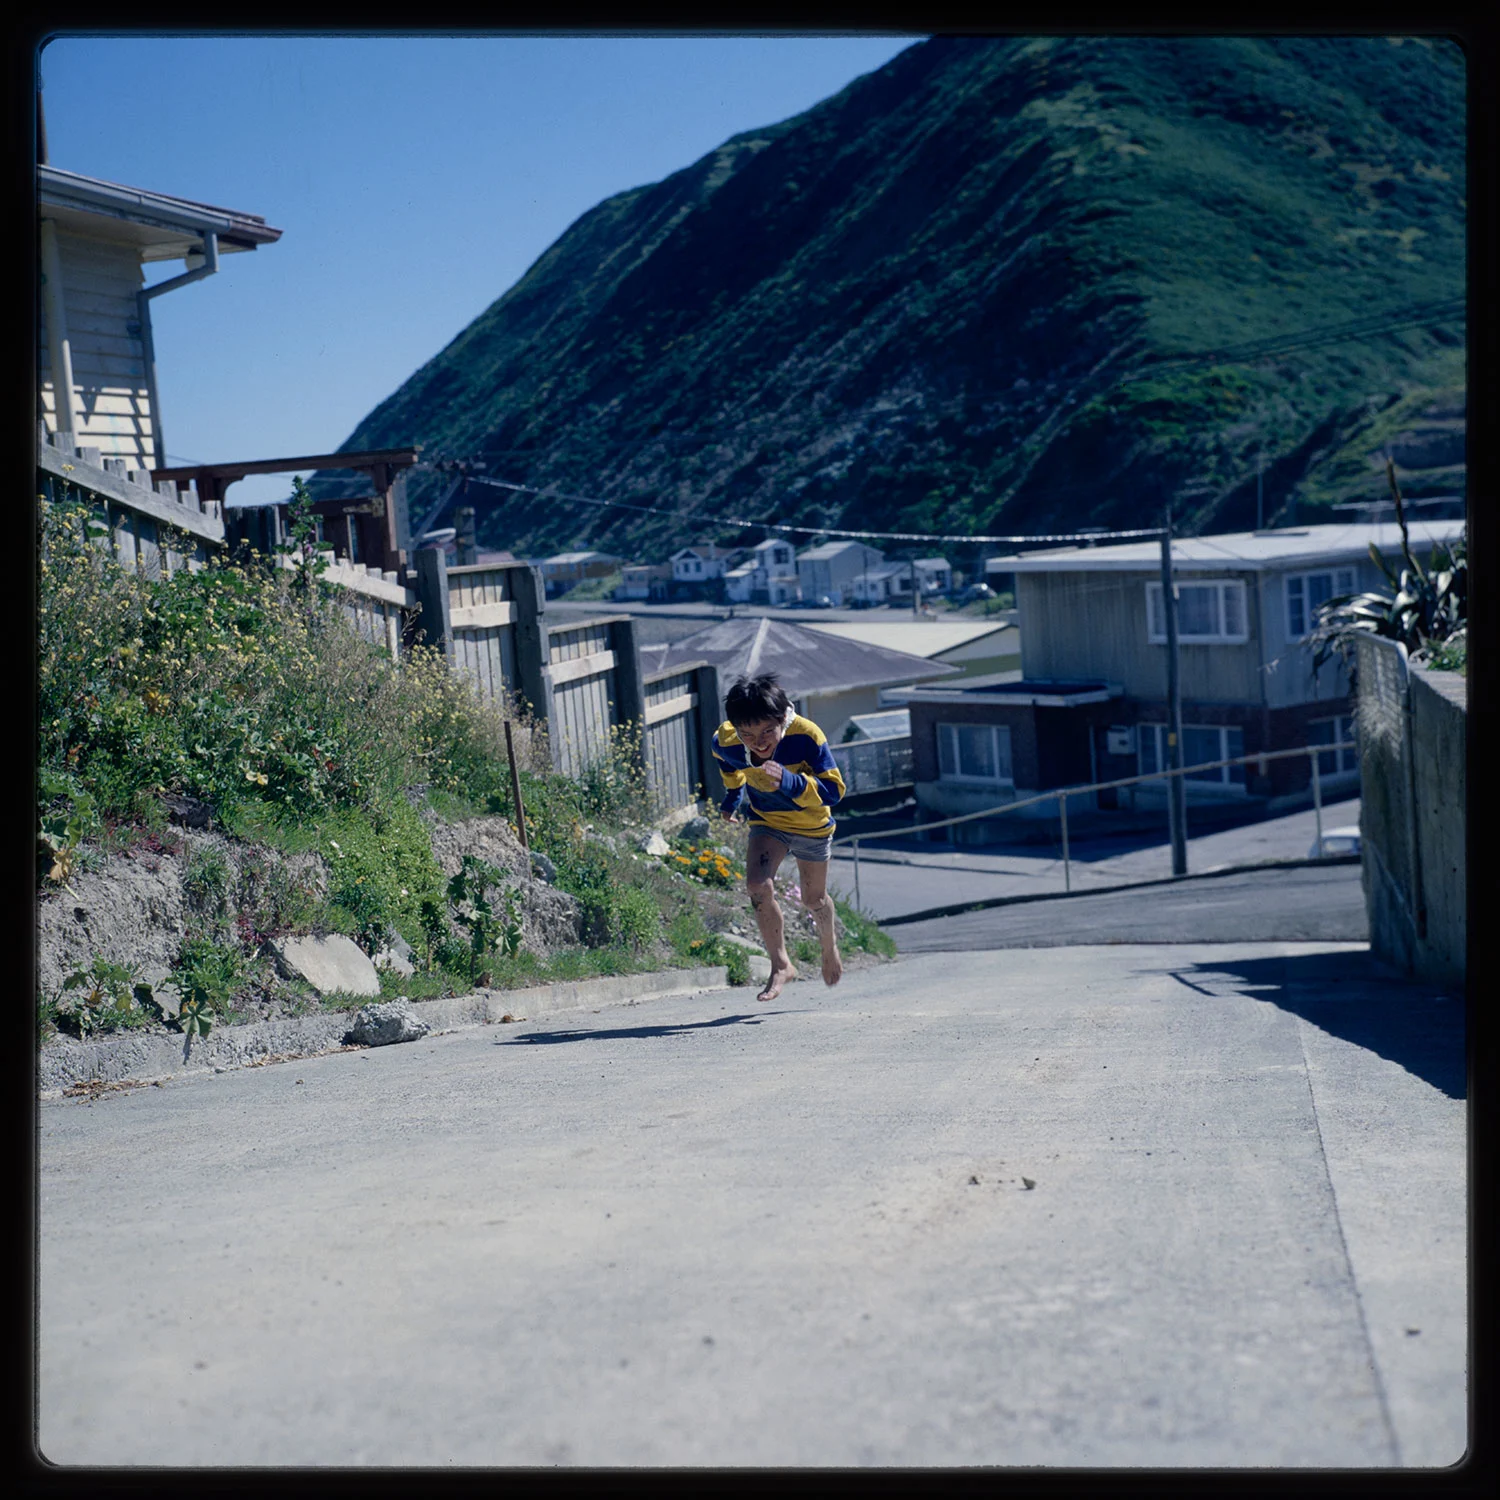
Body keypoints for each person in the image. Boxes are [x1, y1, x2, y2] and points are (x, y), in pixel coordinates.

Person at [712, 674, 846, 1002]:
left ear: (782, 718)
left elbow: (835, 790)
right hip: (767, 822)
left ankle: (829, 948)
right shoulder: (726, 740)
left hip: (811, 825)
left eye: (767, 732)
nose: (758, 743)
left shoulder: (806, 734)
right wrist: (732, 799)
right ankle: (780, 963)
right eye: (748, 734)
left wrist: (791, 782)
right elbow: (728, 766)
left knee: (813, 900)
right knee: (758, 886)